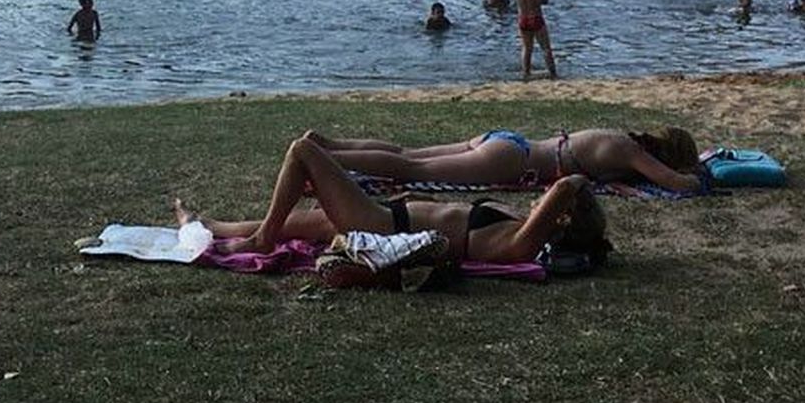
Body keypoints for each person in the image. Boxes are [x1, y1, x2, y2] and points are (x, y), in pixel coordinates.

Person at [176, 136, 608, 266]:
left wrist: (578, 188)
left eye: (549, 204)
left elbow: (567, 184)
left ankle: (262, 240)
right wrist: (414, 199)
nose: (539, 202)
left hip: (382, 228)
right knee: (296, 221)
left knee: (302, 152)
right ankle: (203, 226)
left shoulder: (522, 244)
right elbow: (450, 218)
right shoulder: (519, 227)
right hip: (388, 217)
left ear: (561, 218)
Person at [301, 125, 705, 194]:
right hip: (514, 161)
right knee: (413, 170)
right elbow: (677, 184)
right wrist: (703, 173)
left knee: (408, 154)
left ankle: (330, 145)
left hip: (509, 141)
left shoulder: (619, 138)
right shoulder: (631, 153)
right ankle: (324, 156)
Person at [516, 0, 556, 80]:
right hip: (536, 18)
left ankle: (526, 73)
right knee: (545, 47)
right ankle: (553, 73)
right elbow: (545, 1)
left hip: (523, 19)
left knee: (527, 48)